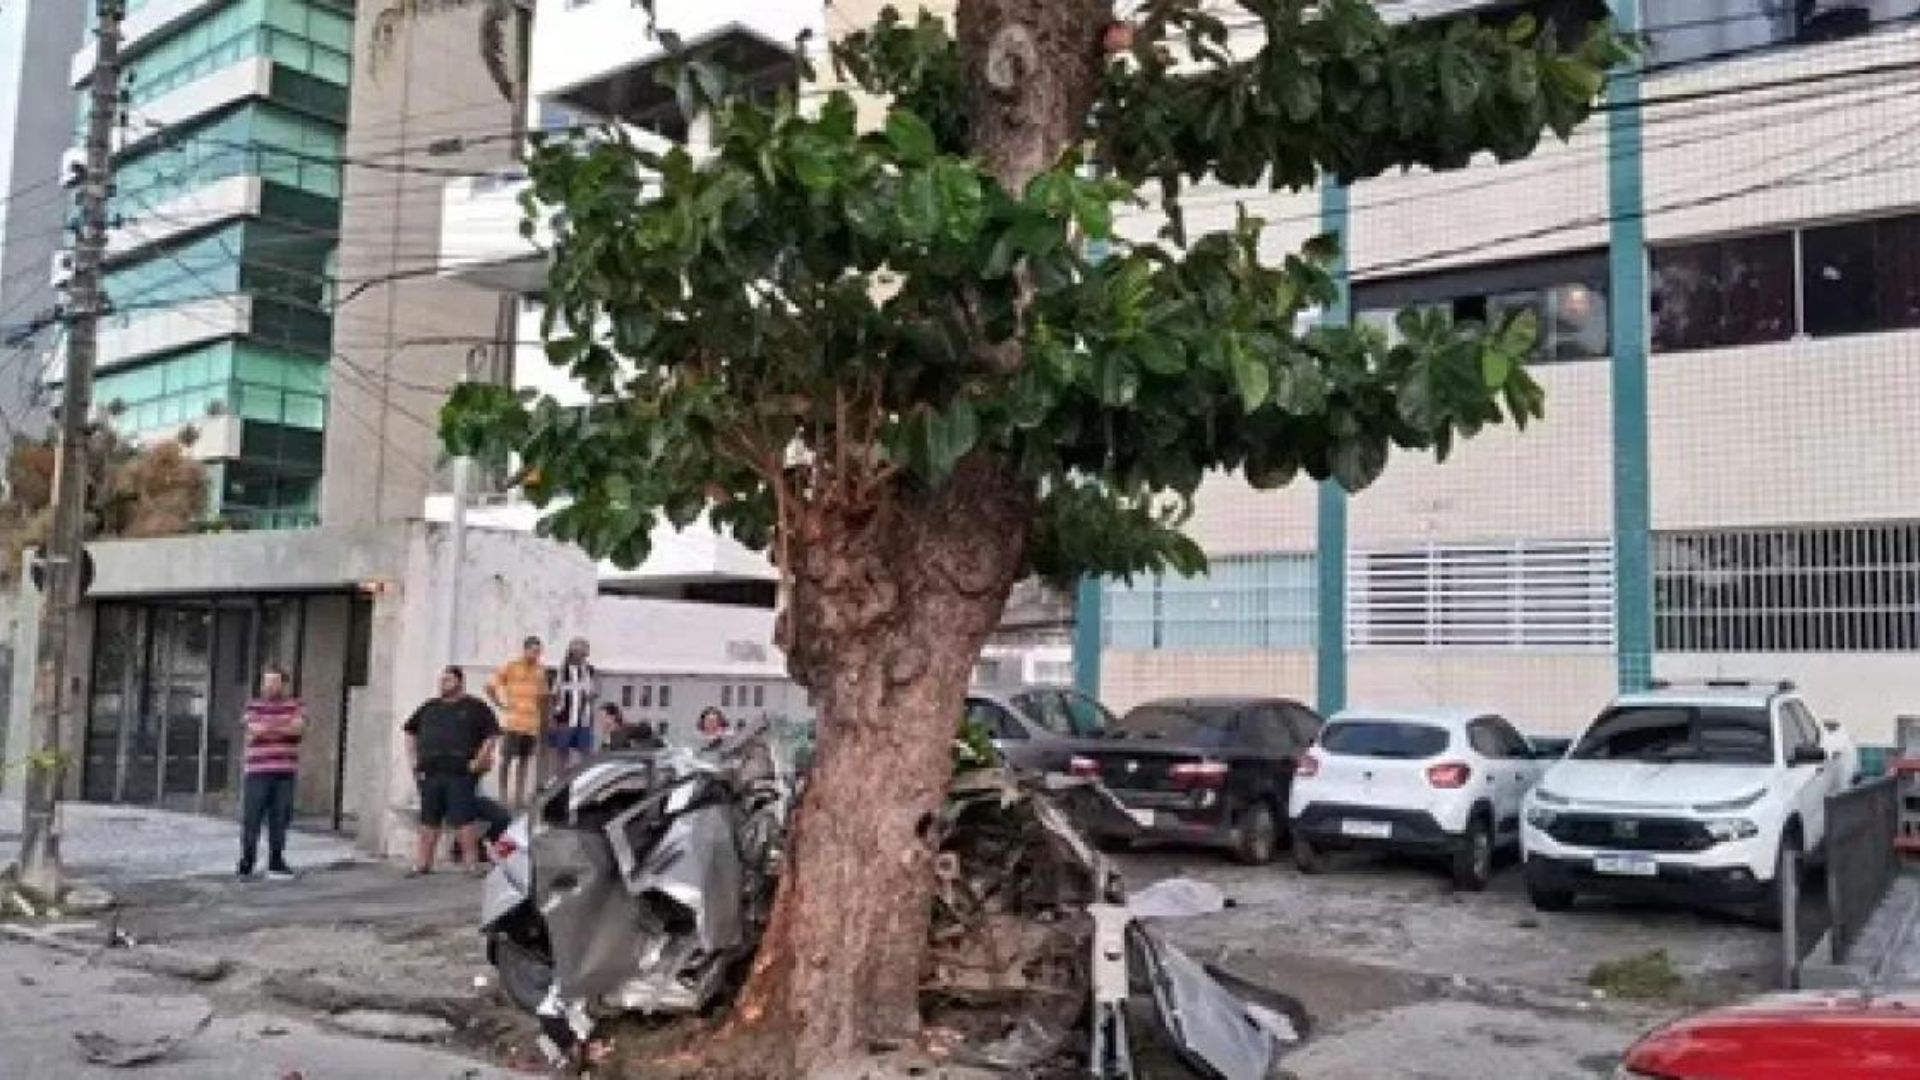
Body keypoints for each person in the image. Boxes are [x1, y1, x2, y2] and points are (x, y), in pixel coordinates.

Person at [404, 666, 499, 875]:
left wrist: (479, 759)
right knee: (429, 819)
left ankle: (471, 864)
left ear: (459, 682)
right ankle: (423, 864)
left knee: (463, 819)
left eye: (448, 680)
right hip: (431, 771)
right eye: (441, 680)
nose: (443, 684)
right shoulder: (429, 707)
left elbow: (491, 734)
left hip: (460, 772)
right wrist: (413, 760)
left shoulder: (475, 707)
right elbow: (410, 731)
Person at [238, 666, 305, 881]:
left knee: (280, 819)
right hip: (257, 772)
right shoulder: (253, 705)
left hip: (285, 773)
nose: (269, 686)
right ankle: (247, 861)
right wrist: (282, 727)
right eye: (266, 682)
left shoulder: (296, 705)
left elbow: (298, 729)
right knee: (252, 818)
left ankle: (276, 860)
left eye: (274, 682)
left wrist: (267, 728)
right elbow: (253, 729)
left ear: (284, 684)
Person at [488, 636, 549, 809]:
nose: (536, 654)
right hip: (513, 723)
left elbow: (543, 697)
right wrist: (500, 704)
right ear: (525, 649)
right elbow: (490, 686)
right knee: (506, 760)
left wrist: (543, 720)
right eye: (533, 650)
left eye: (538, 651)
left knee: (524, 761)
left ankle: (519, 796)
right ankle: (502, 795)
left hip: (531, 725)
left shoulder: (540, 670)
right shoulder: (512, 667)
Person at [548, 637, 598, 772]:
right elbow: (554, 695)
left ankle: (583, 781)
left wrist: (592, 696)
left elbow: (593, 692)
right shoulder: (562, 671)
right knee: (562, 753)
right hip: (564, 719)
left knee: (585, 753)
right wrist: (552, 718)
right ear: (572, 653)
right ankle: (561, 784)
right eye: (581, 653)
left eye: (585, 654)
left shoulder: (589, 670)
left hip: (584, 720)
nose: (583, 657)